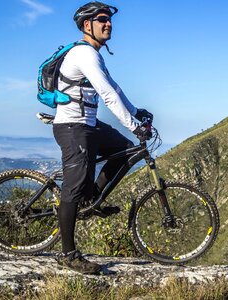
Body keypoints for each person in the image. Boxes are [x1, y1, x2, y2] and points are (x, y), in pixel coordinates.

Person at [53, 1, 153, 274]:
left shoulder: (95, 55)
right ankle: (68, 254)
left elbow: (115, 89)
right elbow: (107, 96)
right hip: (73, 127)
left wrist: (136, 111)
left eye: (109, 20)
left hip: (89, 124)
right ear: (88, 25)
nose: (108, 24)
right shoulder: (84, 54)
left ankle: (91, 198)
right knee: (72, 188)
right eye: (101, 20)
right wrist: (135, 125)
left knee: (126, 151)